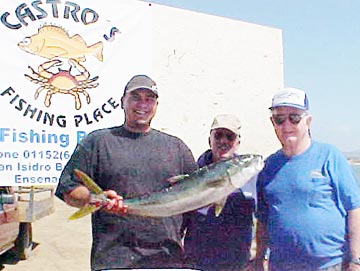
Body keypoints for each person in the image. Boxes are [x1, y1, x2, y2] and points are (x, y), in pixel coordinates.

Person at [55, 75, 197, 271]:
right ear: (123, 101)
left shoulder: (177, 147)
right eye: (135, 97)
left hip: (167, 259)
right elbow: (68, 191)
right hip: (114, 260)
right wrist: (93, 198)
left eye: (149, 99)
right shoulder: (98, 142)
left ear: (156, 105)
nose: (142, 104)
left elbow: (196, 195)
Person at [254, 87, 360, 271]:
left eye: (294, 118)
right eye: (280, 119)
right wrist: (260, 257)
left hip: (330, 265)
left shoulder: (330, 156)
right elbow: (263, 220)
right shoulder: (267, 166)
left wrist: (356, 259)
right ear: (272, 122)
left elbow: (354, 209)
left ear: (308, 121)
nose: (287, 125)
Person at [182, 114, 257, 271]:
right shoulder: (193, 173)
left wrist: (262, 256)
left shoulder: (252, 175)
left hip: (238, 264)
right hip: (196, 264)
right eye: (218, 135)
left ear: (238, 142)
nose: (223, 141)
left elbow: (265, 219)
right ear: (210, 140)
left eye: (229, 136)